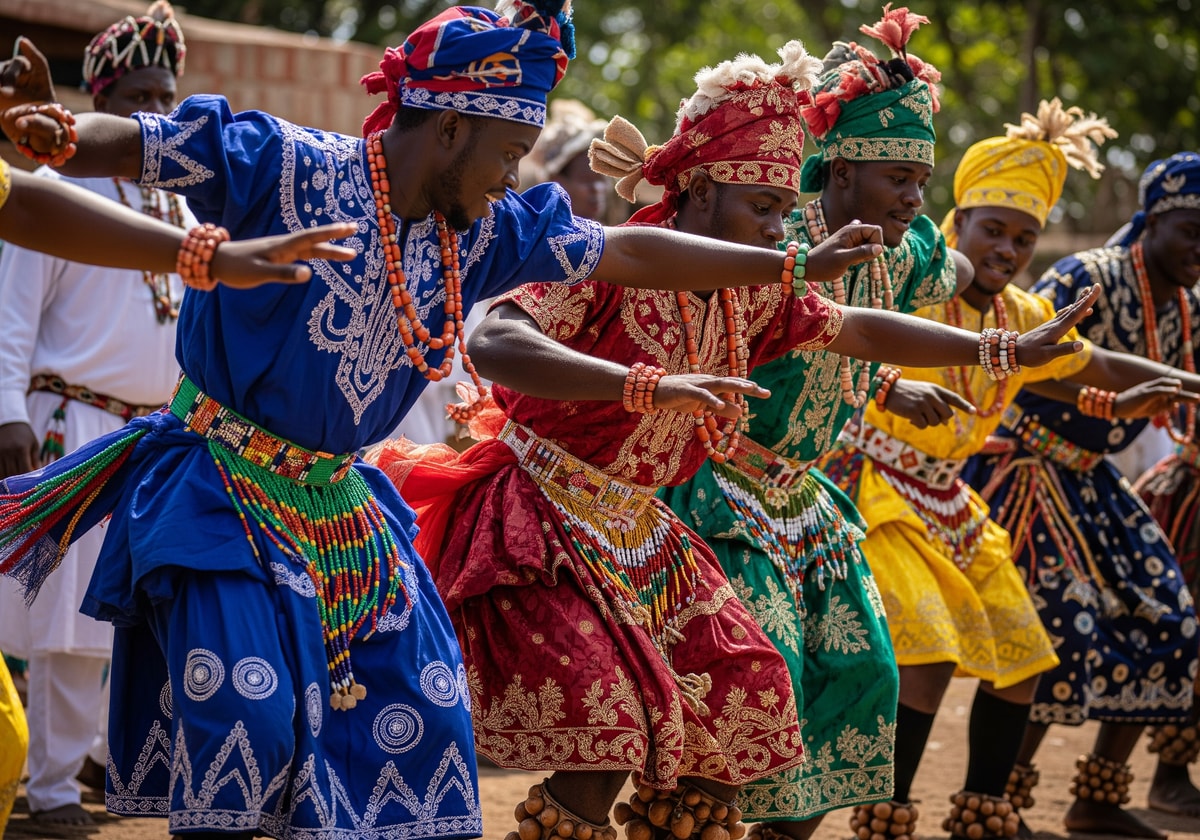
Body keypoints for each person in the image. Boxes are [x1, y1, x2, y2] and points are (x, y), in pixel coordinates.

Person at [0, 3, 901, 836]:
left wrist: (785, 271)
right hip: (221, 492)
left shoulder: (481, 229)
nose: (517, 172)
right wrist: (66, 133)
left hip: (341, 507)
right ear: (454, 127)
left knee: (426, 716)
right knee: (250, 715)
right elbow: (144, 147)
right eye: (511, 149)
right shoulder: (288, 164)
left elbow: (625, 248)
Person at [366, 33, 1100, 840]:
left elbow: (856, 328)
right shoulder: (610, 256)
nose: (778, 229)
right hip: (543, 514)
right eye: (764, 209)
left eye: (786, 211)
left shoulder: (752, 289)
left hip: (643, 529)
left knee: (747, 703)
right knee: (611, 729)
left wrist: (998, 348)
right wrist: (642, 385)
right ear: (702, 190)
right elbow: (497, 341)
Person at [658, 9, 966, 839]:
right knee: (766, 673)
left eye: (922, 182)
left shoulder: (902, 255)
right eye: (898, 176)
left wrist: (890, 382)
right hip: (717, 488)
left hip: (807, 501)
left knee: (863, 674)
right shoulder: (769, 239)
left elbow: (923, 291)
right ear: (840, 173)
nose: (912, 196)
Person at [818, 98, 1128, 840]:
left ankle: (985, 815)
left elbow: (1094, 365)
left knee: (1022, 660)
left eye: (1024, 238)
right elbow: (836, 341)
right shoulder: (906, 284)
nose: (1008, 249)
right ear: (956, 226)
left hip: (954, 504)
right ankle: (884, 815)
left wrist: (1180, 385)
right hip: (877, 491)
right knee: (926, 659)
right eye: (992, 229)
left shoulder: (1021, 316)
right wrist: (890, 387)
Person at [962, 150, 1200, 838]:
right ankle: (995, 803)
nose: (1199, 249)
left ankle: (1096, 799)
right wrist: (1117, 403)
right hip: (1022, 467)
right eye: (1191, 230)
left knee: (1169, 615)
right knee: (1059, 625)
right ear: (1152, 220)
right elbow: (1032, 370)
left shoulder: (1186, 306)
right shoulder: (1086, 277)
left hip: (1091, 475)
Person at [0, 4, 191, 826]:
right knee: (67, 629)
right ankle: (47, 793)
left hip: (152, 437)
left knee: (135, 617)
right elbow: (10, 316)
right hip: (68, 423)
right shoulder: (56, 187)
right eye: (139, 94)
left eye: (167, 95)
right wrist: (6, 409)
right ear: (103, 100)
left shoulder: (181, 205)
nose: (156, 111)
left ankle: (102, 766)